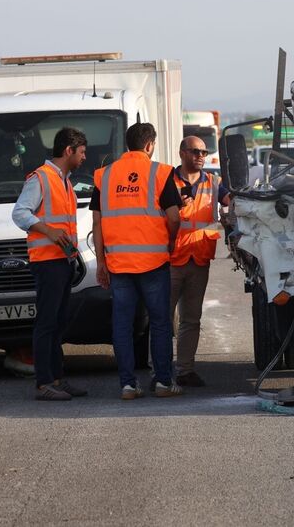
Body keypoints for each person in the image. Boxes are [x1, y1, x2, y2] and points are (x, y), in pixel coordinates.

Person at [91, 122, 184, 399]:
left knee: (122, 324)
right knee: (159, 322)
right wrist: (169, 240)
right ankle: (164, 382)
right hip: (154, 261)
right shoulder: (160, 172)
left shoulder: (104, 176)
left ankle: (128, 385)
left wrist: (100, 262)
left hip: (118, 263)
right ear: (149, 145)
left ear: (128, 144)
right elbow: (175, 217)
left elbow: (97, 223)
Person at [11, 127, 89, 401]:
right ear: (68, 150)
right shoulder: (41, 178)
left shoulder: (64, 180)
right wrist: (48, 230)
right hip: (48, 263)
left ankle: (56, 378)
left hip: (62, 262)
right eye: (81, 152)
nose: (84, 158)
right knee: (46, 323)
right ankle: (44, 383)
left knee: (57, 323)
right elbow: (19, 213)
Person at [170, 136, 230, 387]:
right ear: (182, 153)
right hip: (171, 259)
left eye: (204, 152)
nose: (201, 156)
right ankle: (159, 372)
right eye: (195, 151)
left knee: (191, 319)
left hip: (199, 258)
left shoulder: (214, 183)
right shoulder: (166, 181)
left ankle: (185, 370)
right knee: (162, 319)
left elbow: (232, 202)